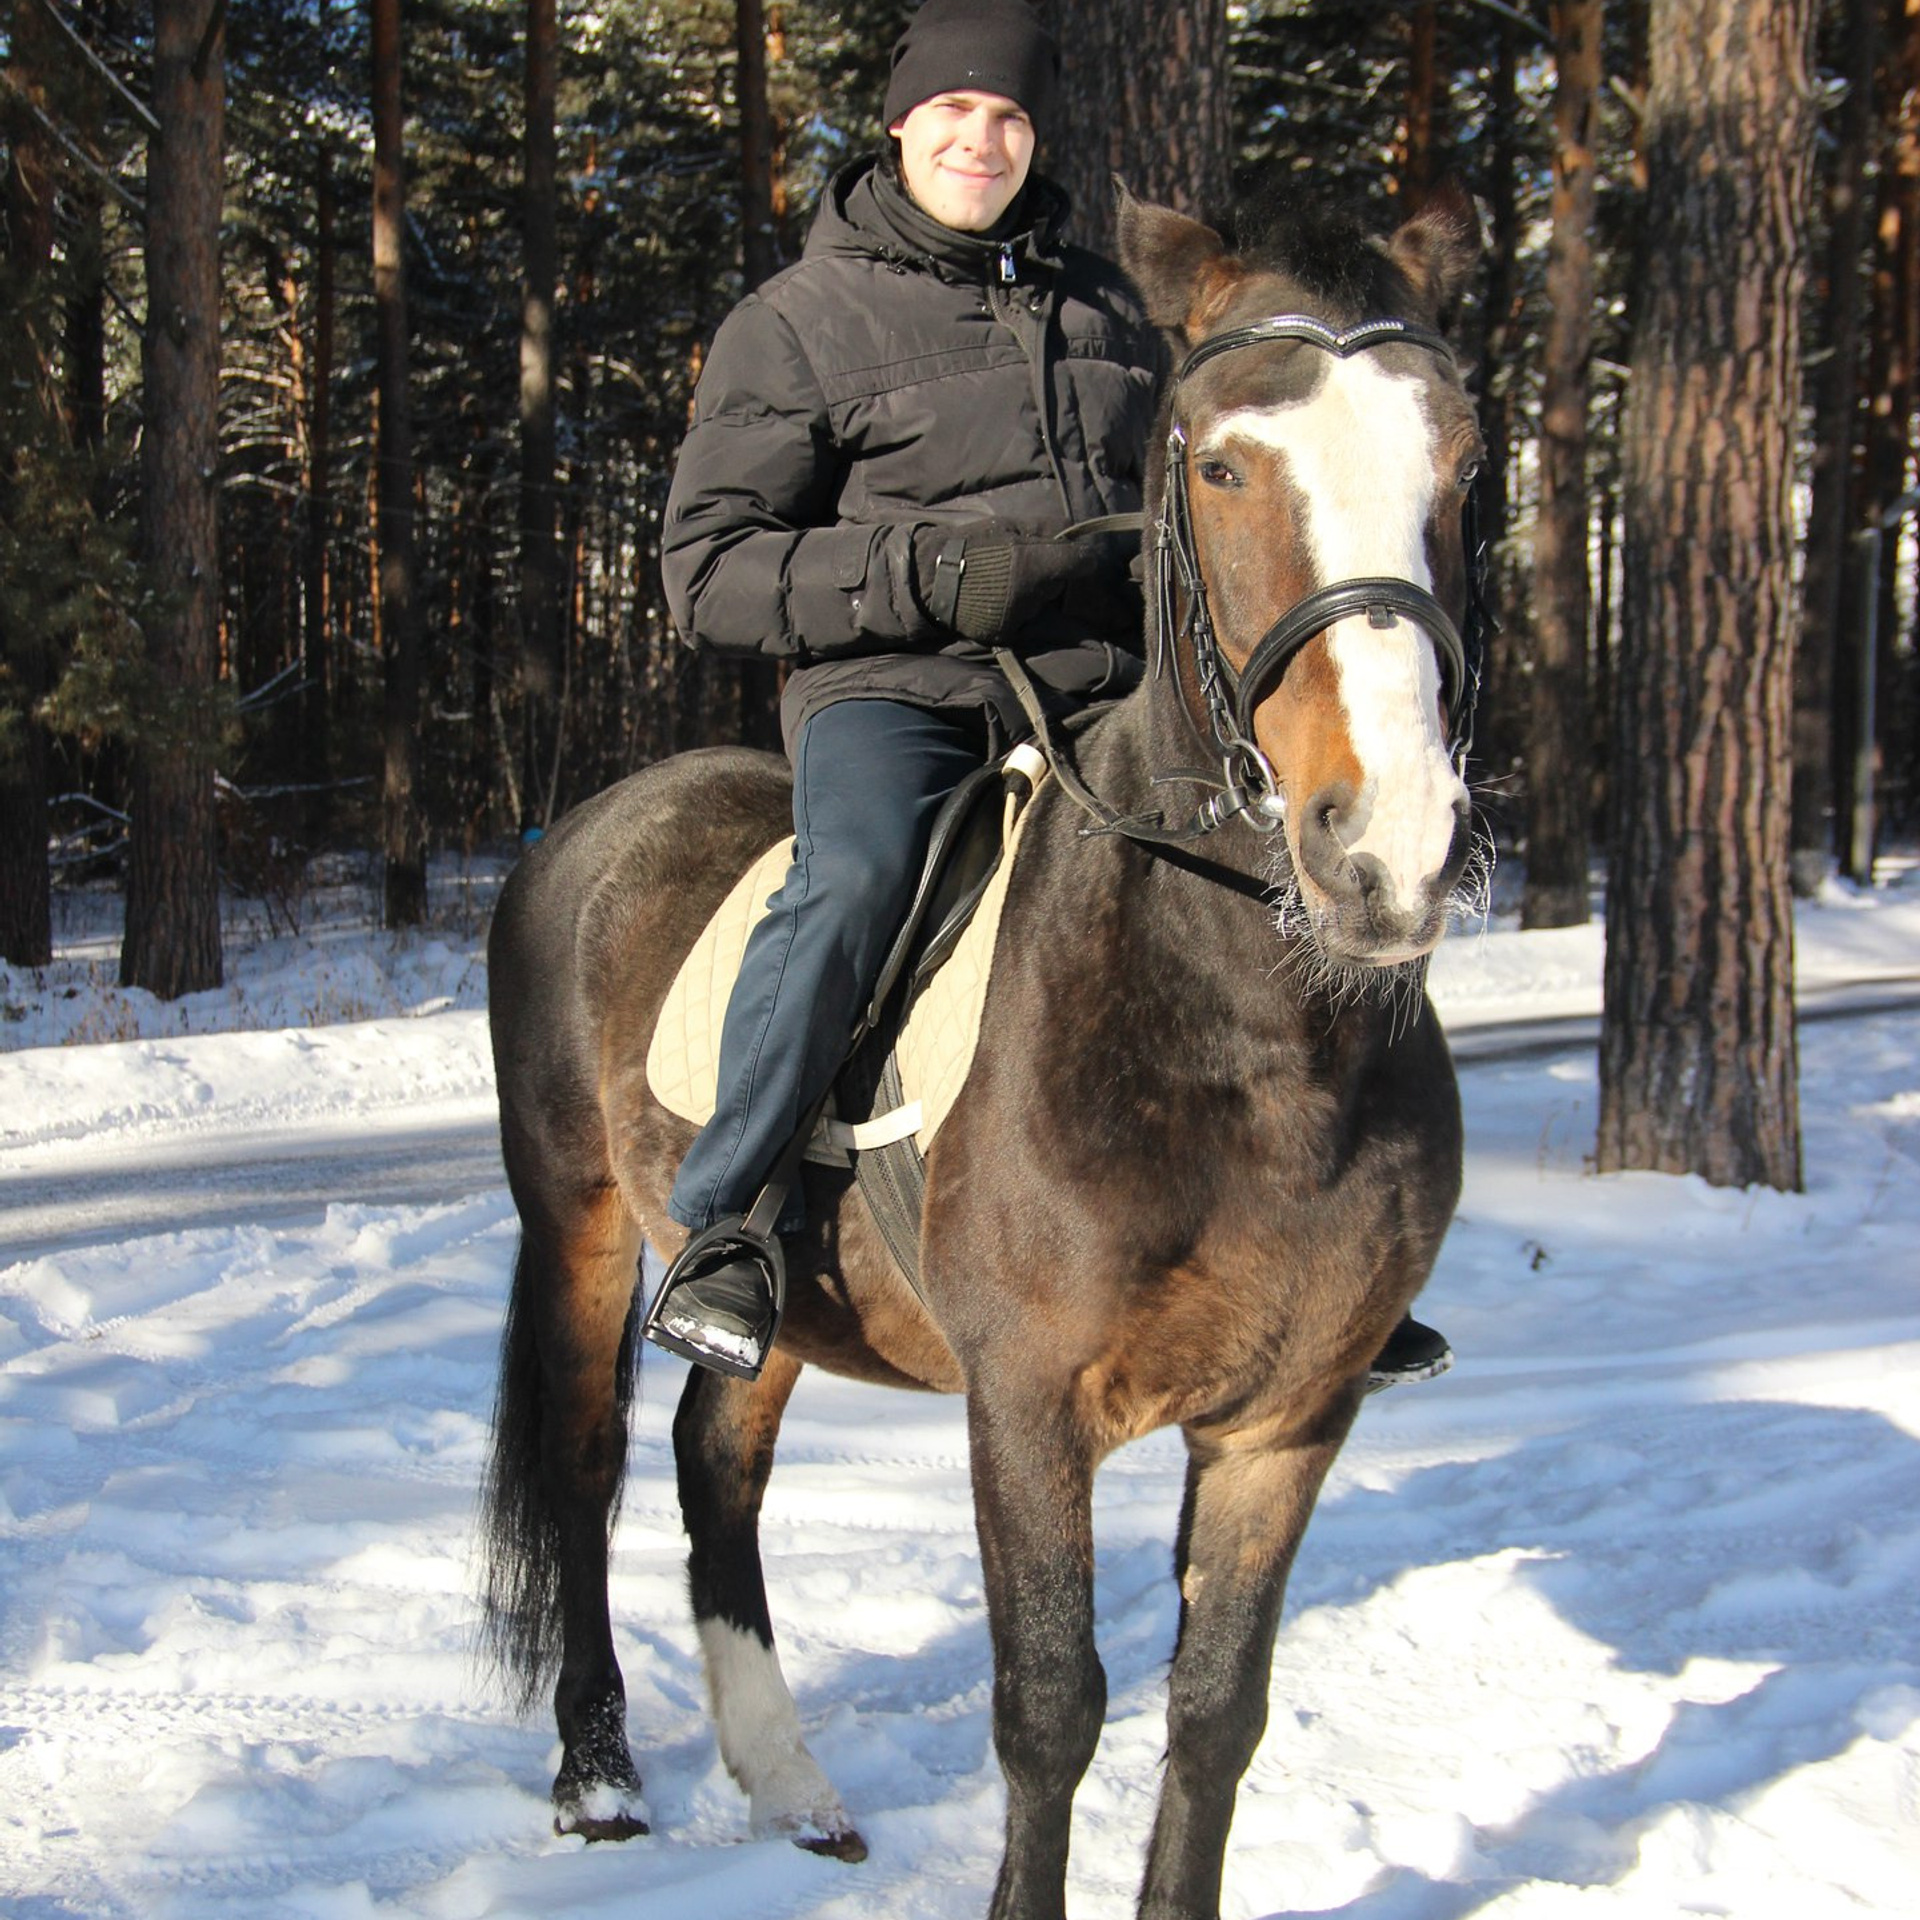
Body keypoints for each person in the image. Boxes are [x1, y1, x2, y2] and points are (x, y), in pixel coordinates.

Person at [647, 0, 1452, 1394]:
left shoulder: (1104, 307)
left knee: (1273, 854)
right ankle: (731, 1216)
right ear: (899, 124)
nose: (982, 137)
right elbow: (707, 570)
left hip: (1091, 686)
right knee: (858, 877)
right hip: (895, 692)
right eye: (953, 112)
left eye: (1009, 117)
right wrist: (931, 569)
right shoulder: (796, 321)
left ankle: (1323, 1255)